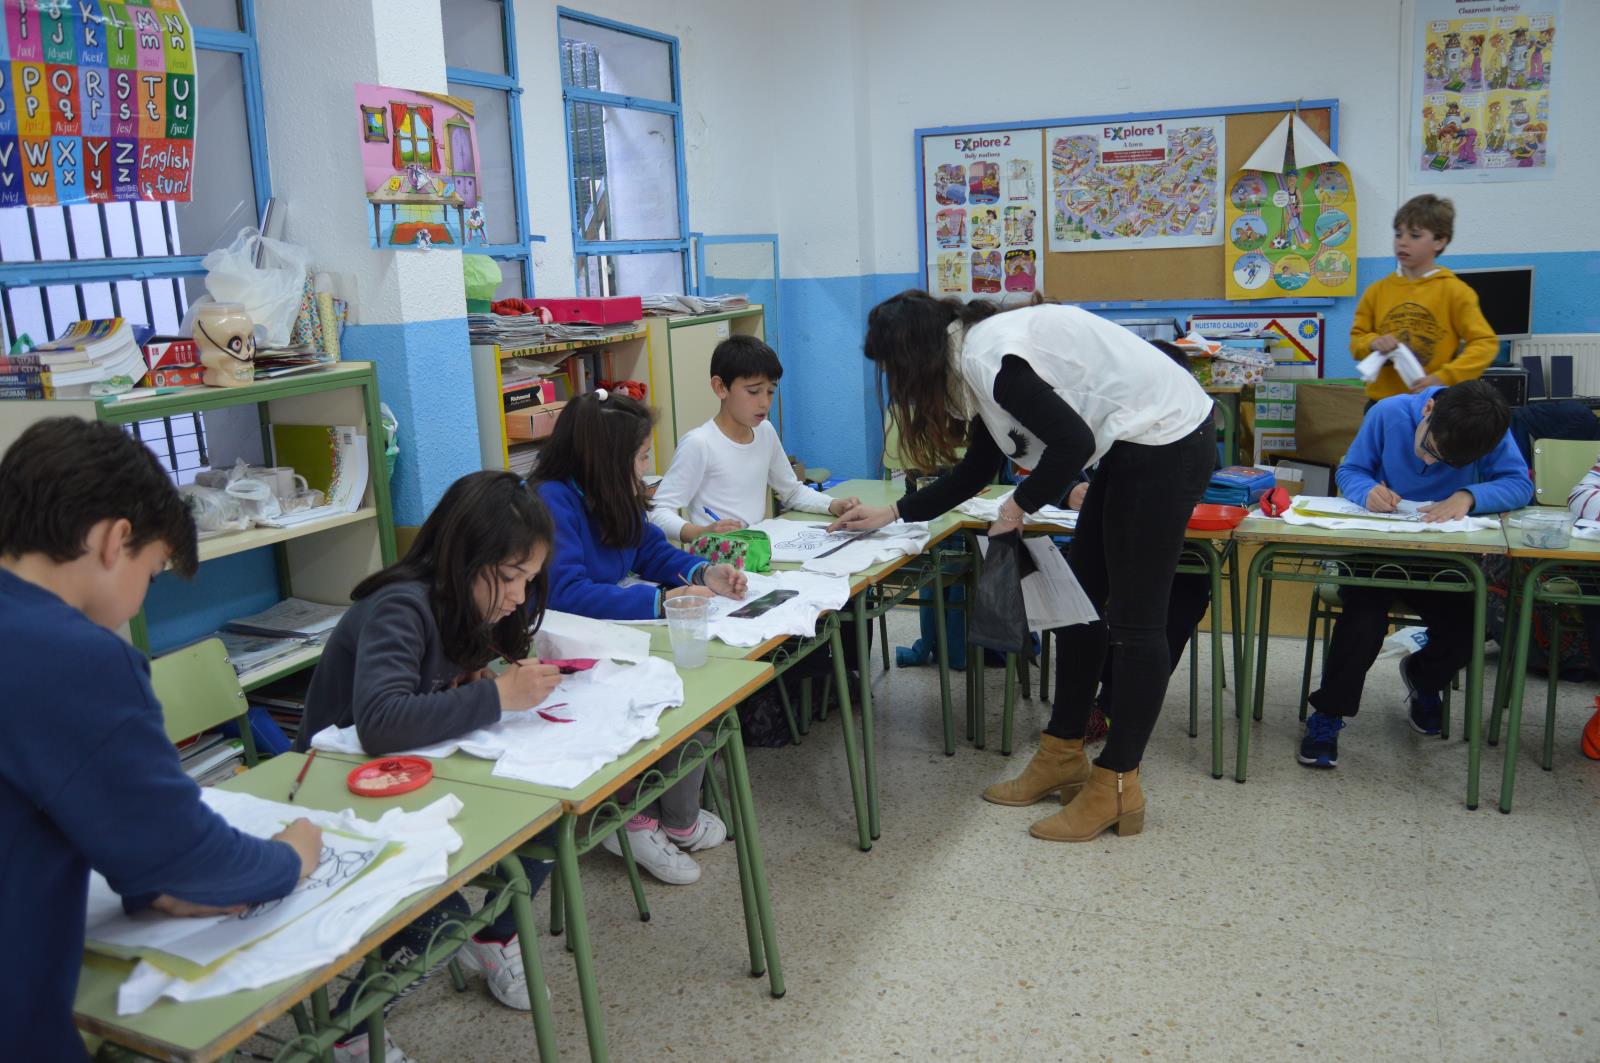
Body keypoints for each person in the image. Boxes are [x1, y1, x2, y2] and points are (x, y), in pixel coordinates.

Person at [830, 292, 1215, 843]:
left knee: (1136, 625)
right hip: (1131, 444)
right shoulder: (973, 361)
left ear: (914, 356)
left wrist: (1016, 509)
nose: (897, 384)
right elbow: (976, 470)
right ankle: (1062, 755)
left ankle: (1118, 784)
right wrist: (891, 513)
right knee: (1080, 610)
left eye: (894, 369)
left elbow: (1073, 443)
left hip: (1167, 440)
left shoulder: (990, 359)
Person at [0, 418, 320, 1060]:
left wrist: (151, 875)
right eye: (151, 573)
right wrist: (292, 856)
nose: (141, 599)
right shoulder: (74, 658)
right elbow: (189, 859)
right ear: (114, 540)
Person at [292, 470, 561, 1059]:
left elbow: (431, 688)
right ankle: (350, 1036)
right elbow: (381, 721)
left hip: (411, 778)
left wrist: (475, 681)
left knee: (547, 825)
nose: (519, 596)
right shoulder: (402, 605)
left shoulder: (464, 605)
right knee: (439, 925)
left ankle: (495, 937)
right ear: (464, 559)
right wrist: (496, 696)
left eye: (529, 579)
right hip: (333, 795)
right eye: (510, 577)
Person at [536, 389, 746, 883]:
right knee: (666, 695)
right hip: (563, 652)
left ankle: (674, 818)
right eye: (642, 456)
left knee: (703, 686)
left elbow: (651, 551)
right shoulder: (551, 501)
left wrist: (702, 572)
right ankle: (630, 818)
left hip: (616, 635)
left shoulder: (613, 492)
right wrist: (660, 601)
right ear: (607, 460)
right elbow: (564, 593)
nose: (648, 468)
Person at [1300, 381, 1532, 769]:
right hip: (1375, 550)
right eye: (1429, 447)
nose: (1427, 462)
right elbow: (1351, 470)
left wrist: (1469, 496)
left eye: (1444, 462)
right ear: (1428, 411)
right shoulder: (1388, 413)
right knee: (1362, 622)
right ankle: (1328, 714)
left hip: (1443, 554)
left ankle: (1423, 678)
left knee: (1472, 624)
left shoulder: (1488, 430)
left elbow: (1519, 484)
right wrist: (1367, 490)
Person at [649, 334, 860, 542]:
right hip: (718, 556)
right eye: (753, 391)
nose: (764, 403)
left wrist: (833, 505)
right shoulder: (699, 443)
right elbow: (658, 512)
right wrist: (701, 532)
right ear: (720, 387)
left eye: (770, 392)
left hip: (756, 551)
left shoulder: (765, 431)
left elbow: (792, 492)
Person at [1352, 194, 1497, 404]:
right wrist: (1372, 342)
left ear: (1440, 241)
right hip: (1382, 403)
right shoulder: (1376, 291)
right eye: (1398, 234)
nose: (1402, 242)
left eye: (1415, 235)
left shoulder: (1456, 292)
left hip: (1432, 402)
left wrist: (1444, 377)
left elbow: (1485, 344)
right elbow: (1357, 340)